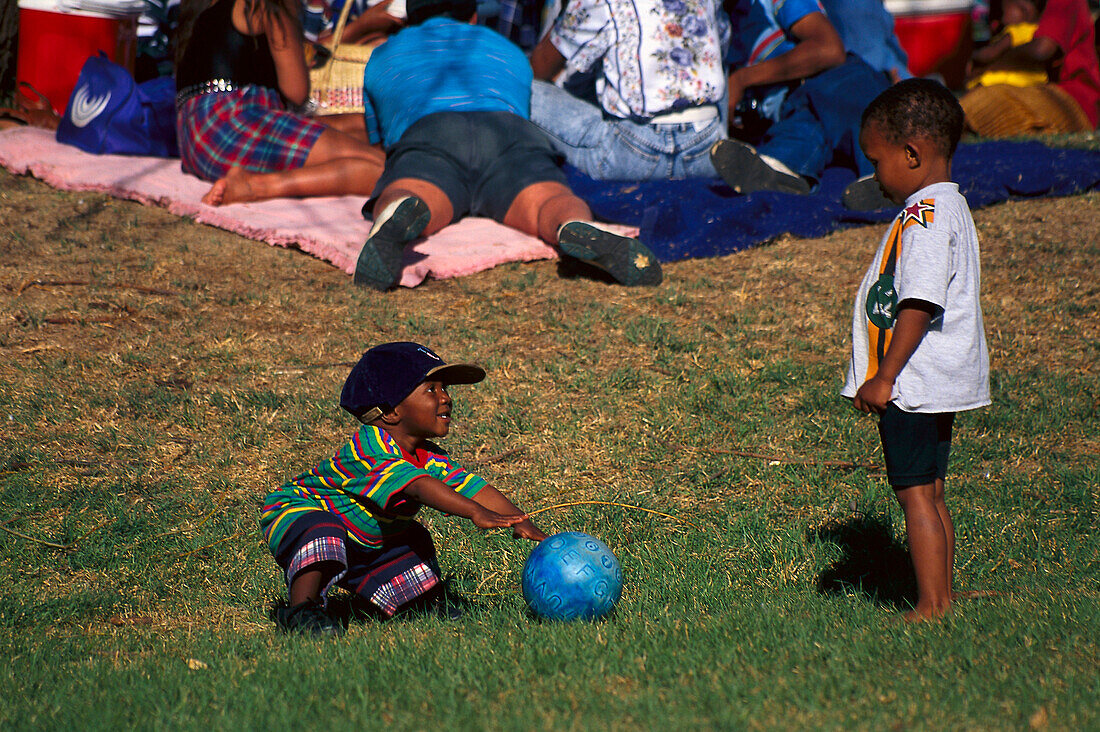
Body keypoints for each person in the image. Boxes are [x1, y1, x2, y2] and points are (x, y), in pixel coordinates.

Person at [355, 0, 663, 290]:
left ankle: (399, 211)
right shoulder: (507, 49)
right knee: (547, 199)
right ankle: (572, 223)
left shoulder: (383, 56)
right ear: (473, 15)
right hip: (510, 131)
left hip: (431, 132)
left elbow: (382, 139)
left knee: (414, 190)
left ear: (408, 17)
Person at [260, 342, 547, 635]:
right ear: (390, 412)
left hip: (362, 535)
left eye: (445, 388)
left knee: (413, 538)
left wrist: (520, 520)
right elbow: (419, 486)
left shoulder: (430, 456)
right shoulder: (369, 449)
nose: (446, 398)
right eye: (431, 390)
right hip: (295, 513)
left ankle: (418, 600)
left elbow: (472, 487)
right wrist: (474, 512)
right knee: (322, 531)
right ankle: (302, 610)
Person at [841, 79, 990, 621]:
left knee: (914, 496)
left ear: (911, 154)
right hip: (932, 378)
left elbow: (918, 301)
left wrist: (885, 374)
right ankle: (944, 594)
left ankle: (930, 605)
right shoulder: (949, 208)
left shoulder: (924, 218)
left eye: (876, 160)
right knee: (933, 491)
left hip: (914, 382)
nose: (875, 174)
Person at [174, 0, 385, 206]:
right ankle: (257, 186)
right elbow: (296, 91)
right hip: (232, 126)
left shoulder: (205, 6)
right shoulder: (269, 5)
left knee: (367, 126)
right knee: (384, 170)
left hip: (198, 138)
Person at [527, 0, 731, 180]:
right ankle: (725, 144)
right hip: (706, 146)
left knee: (525, 87)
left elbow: (541, 67)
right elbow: (722, 46)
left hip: (634, 150)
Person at [708, 0, 892, 196]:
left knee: (867, 122)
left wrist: (742, 79)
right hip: (793, 108)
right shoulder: (719, 22)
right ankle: (779, 174)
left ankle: (885, 181)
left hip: (835, 80)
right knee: (798, 133)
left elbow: (829, 49)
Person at [959, 0, 1099, 137]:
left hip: (1072, 100)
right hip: (1038, 95)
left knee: (990, 99)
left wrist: (989, 67)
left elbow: (1042, 49)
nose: (1000, 21)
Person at [965, 0, 1048, 91]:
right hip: (1036, 80)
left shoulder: (1015, 31)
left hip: (1009, 80)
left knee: (974, 85)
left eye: (1004, 11)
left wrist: (974, 55)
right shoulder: (1039, 31)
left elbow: (992, 53)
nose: (1002, 17)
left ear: (1024, 11)